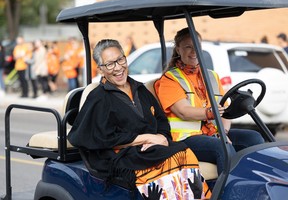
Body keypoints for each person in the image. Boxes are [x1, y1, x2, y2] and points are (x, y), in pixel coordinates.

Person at [68, 39, 211, 199]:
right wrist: (146, 138)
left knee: (184, 153)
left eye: (120, 59)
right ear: (101, 70)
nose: (118, 68)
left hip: (150, 148)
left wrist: (161, 137)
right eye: (110, 64)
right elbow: (101, 137)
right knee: (167, 162)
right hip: (122, 153)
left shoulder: (140, 89)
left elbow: (161, 120)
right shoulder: (99, 98)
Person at [155, 27, 265, 175]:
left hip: (213, 133)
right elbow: (183, 111)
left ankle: (254, 186)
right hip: (184, 139)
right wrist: (209, 113)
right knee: (222, 147)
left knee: (254, 138)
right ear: (178, 50)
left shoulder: (212, 76)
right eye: (188, 47)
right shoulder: (169, 79)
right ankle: (230, 194)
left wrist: (223, 132)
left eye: (197, 47)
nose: (194, 51)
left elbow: (224, 111)